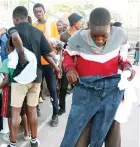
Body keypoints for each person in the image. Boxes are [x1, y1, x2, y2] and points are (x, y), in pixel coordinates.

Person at [60, 8, 135, 147]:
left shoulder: (118, 35)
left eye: (104, 36)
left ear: (110, 27)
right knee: (80, 133)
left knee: (112, 129)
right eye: (95, 36)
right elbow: (67, 55)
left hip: (110, 90)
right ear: (88, 26)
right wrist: (69, 68)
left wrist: (127, 66)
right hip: (86, 91)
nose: (99, 41)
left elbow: (120, 58)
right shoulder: (78, 38)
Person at [7, 6, 60, 147]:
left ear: (16, 18)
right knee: (32, 110)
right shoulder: (38, 32)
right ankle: (34, 140)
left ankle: (12, 144)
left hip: (19, 78)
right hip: (36, 78)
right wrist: (56, 68)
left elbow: (15, 37)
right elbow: (47, 54)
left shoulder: (14, 29)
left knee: (15, 112)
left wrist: (22, 56)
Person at [33, 3, 60, 127]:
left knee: (52, 89)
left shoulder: (51, 25)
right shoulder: (33, 26)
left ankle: (55, 114)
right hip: (37, 63)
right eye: (36, 12)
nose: (38, 14)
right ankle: (36, 109)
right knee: (35, 89)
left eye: (40, 11)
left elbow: (57, 43)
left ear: (44, 11)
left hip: (49, 63)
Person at [58, 13, 83, 115]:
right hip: (66, 65)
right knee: (63, 87)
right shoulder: (64, 36)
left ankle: (79, 109)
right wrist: (59, 66)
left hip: (79, 65)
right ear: (74, 23)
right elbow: (60, 51)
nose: (81, 24)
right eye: (79, 22)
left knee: (79, 88)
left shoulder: (82, 35)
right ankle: (62, 108)